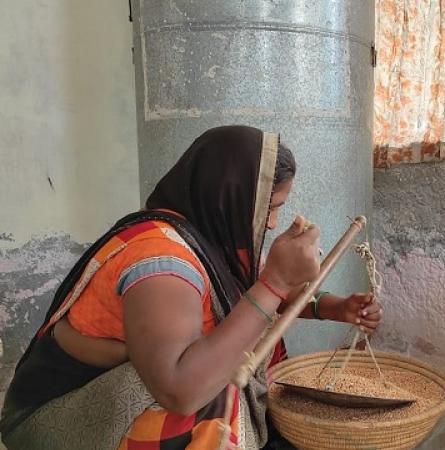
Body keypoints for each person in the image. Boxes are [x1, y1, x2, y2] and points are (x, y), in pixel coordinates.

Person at [0, 125, 382, 449]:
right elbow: (181, 390)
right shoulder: (162, 261)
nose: (270, 224)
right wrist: (276, 281)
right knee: (211, 391)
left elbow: (247, 296)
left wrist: (334, 307)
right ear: (229, 197)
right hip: (57, 416)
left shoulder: (204, 237)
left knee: (225, 352)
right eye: (270, 209)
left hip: (108, 393)